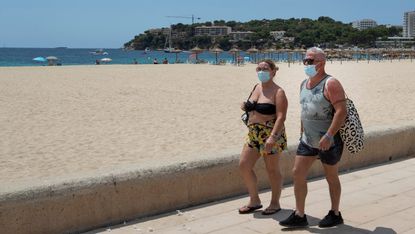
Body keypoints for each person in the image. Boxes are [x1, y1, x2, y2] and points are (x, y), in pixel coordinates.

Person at [279, 47, 347, 228]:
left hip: (328, 141)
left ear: (322, 63)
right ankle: (300, 214)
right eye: (305, 61)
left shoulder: (331, 83)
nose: (306, 64)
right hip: (307, 140)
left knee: (331, 177)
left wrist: (329, 135)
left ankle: (335, 213)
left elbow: (342, 111)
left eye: (310, 61)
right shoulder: (303, 84)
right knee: (297, 173)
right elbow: (305, 111)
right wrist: (301, 134)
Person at [238, 59, 288, 215]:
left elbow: (281, 117)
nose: (261, 71)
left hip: (271, 134)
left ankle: (275, 203)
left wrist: (272, 138)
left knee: (272, 170)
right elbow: (251, 106)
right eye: (259, 68)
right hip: (253, 134)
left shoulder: (278, 92)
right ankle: (254, 200)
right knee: (244, 165)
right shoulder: (256, 87)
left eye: (265, 68)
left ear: (273, 71)